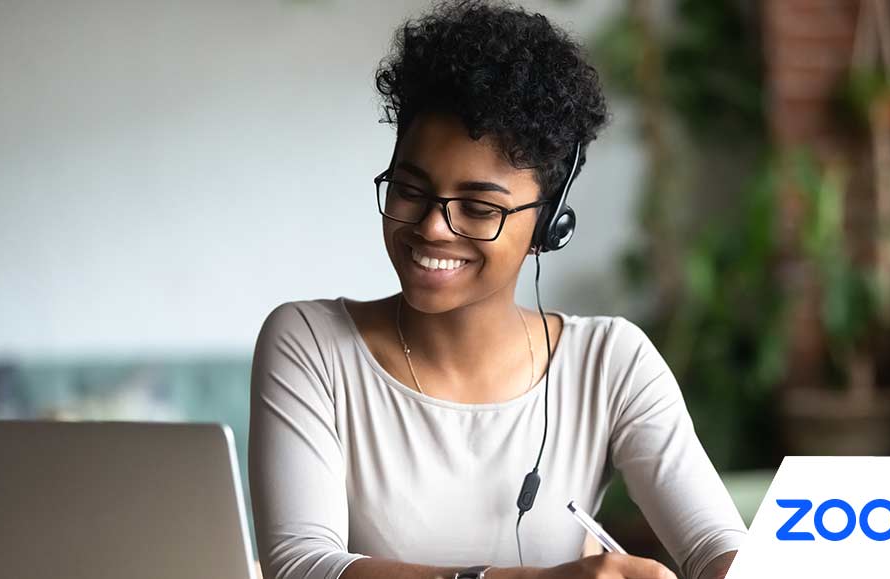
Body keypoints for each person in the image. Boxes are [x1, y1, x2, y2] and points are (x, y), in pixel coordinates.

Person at [248, 2, 747, 579]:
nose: (433, 227)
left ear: (547, 225)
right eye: (411, 190)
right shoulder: (310, 345)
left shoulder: (610, 364)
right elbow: (301, 566)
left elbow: (717, 544)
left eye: (479, 208)